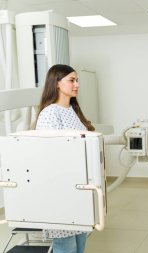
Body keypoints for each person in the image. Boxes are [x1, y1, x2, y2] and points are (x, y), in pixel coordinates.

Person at [35, 64, 95, 253]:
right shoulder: (50, 113)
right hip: (60, 191)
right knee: (66, 246)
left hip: (79, 189)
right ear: (57, 83)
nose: (76, 84)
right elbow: (47, 154)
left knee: (80, 245)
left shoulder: (73, 111)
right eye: (71, 80)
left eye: (77, 80)